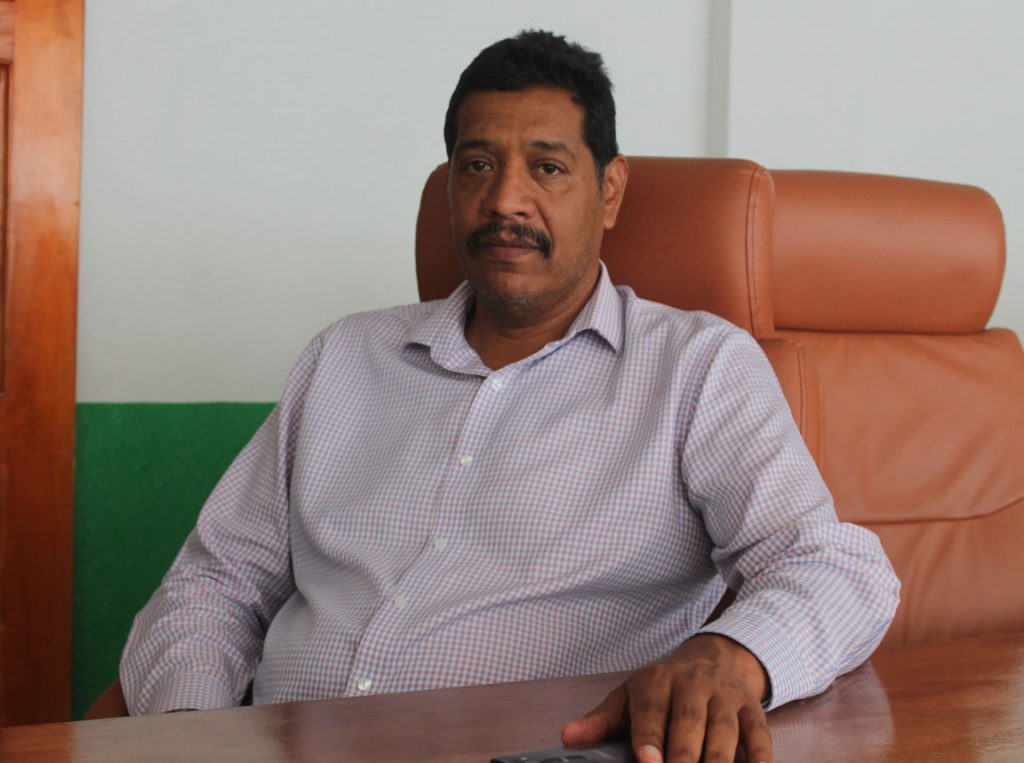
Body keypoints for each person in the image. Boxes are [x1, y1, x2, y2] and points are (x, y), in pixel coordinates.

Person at [121, 30, 899, 763]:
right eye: (477, 165)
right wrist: (191, 729)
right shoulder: (343, 358)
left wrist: (725, 658)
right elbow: (214, 582)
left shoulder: (696, 368)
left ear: (610, 191)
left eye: (547, 168)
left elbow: (833, 568)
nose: (504, 201)